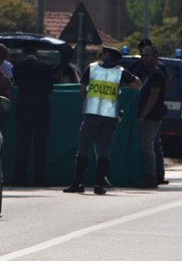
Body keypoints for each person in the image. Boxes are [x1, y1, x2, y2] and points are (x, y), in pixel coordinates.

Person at [64, 46, 141, 195]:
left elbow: (82, 91)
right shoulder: (121, 71)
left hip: (91, 113)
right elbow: (137, 85)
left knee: (83, 149)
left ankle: (77, 183)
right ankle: (99, 185)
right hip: (110, 116)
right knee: (104, 152)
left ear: (106, 55)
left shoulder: (91, 68)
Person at [127, 38, 169, 184]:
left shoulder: (157, 74)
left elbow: (153, 97)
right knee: (144, 145)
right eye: (143, 55)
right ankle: (145, 173)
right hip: (144, 115)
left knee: (148, 145)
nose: (145, 58)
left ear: (156, 57)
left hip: (151, 116)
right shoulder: (138, 68)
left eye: (148, 55)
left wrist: (143, 115)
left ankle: (153, 175)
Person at [12, 44, 54, 186]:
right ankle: (40, 178)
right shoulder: (45, 67)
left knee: (22, 145)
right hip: (41, 109)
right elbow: (49, 89)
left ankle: (19, 177)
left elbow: (16, 84)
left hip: (24, 108)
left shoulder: (17, 67)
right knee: (40, 146)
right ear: (36, 52)